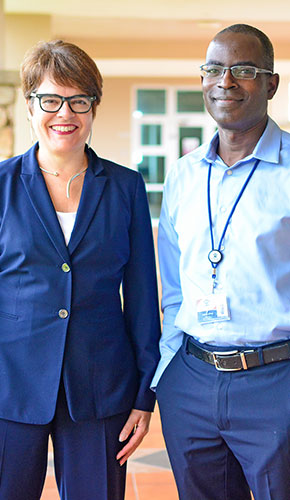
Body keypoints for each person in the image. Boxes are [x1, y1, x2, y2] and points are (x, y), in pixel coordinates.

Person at [0, 40, 160, 500]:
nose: (64, 113)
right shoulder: (3, 186)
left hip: (100, 388)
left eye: (78, 100)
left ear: (93, 108)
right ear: (30, 106)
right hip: (11, 385)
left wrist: (142, 395)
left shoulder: (125, 186)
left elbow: (143, 299)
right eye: (50, 100)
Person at [152, 23, 290, 500]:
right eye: (214, 69)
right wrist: (168, 372)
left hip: (277, 382)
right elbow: (172, 287)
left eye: (244, 70)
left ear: (271, 84)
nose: (225, 82)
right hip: (191, 381)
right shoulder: (183, 176)